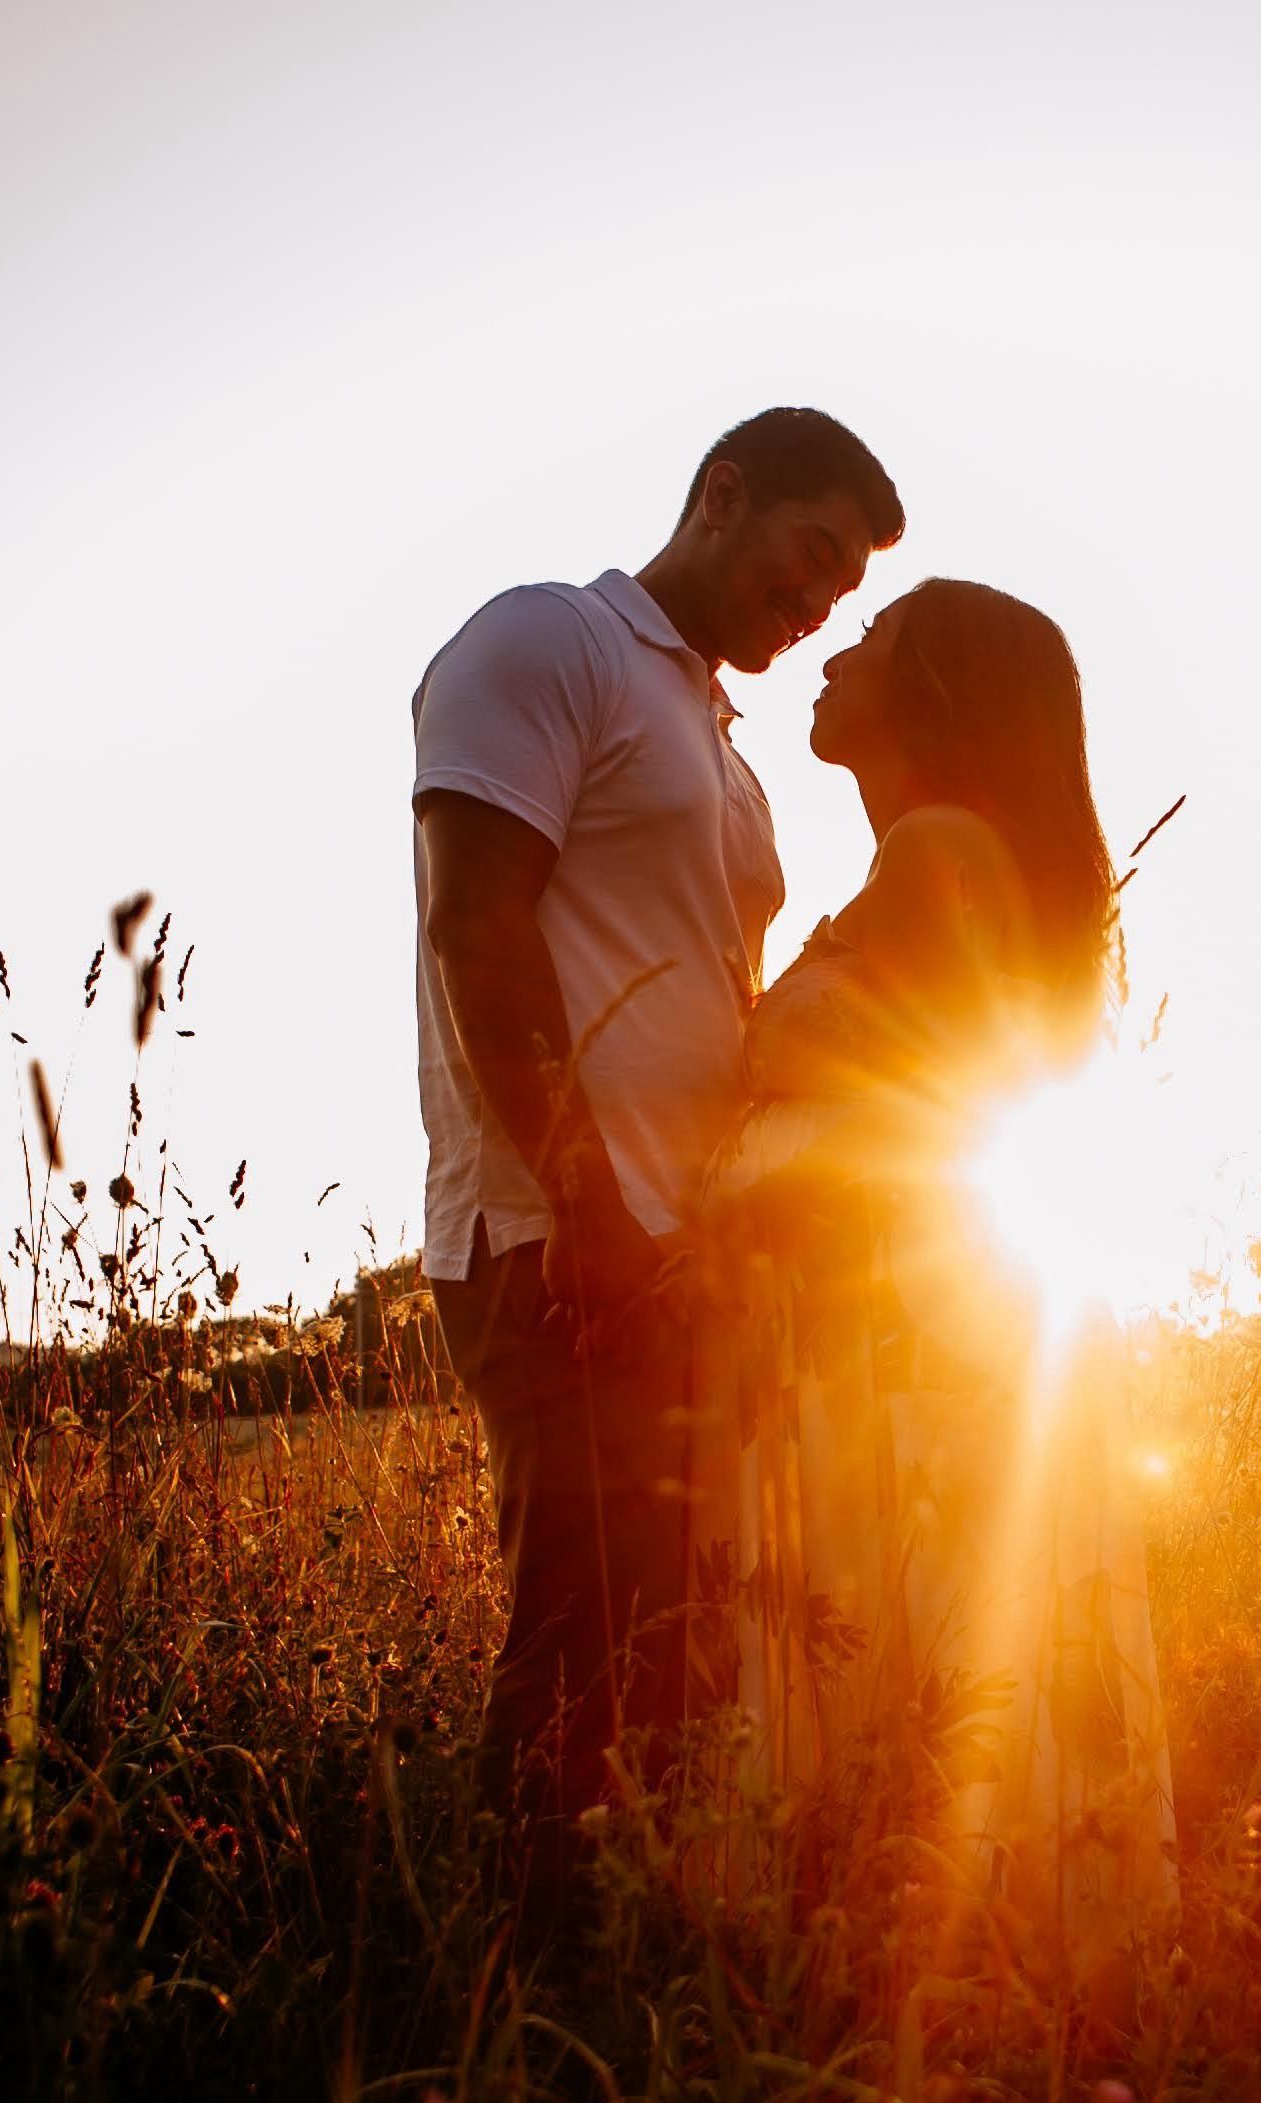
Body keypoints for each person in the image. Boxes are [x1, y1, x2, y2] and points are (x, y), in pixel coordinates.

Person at [414, 408, 906, 1929]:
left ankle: (641, 1979)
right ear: (722, 493)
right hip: (561, 1240)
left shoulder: (720, 745)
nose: (819, 601)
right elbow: (479, 928)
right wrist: (584, 1203)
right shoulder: (548, 642)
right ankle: (512, 2003)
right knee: (584, 1633)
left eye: (847, 587)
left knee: (682, 1643)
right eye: (811, 552)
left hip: (688, 1252)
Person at [690, 580, 1177, 1981]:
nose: (835, 658)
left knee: (918, 1651)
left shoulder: (940, 853)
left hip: (904, 1348)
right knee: (951, 1649)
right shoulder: (940, 858)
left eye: (875, 642)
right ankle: (1001, 1981)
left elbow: (914, 1098)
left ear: (938, 698)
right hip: (904, 1333)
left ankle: (937, 1981)